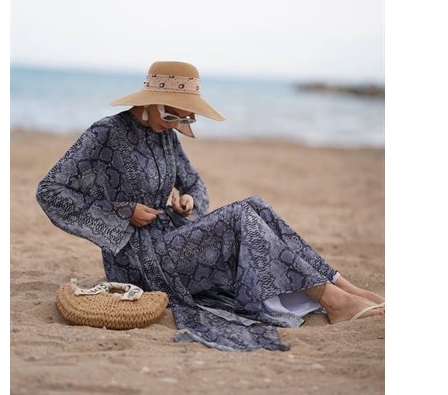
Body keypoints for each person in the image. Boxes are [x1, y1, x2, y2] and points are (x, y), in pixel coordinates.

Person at [36, 61, 384, 352]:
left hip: (171, 239)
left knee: (256, 204)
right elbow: (50, 190)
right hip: (136, 261)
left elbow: (194, 184)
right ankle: (333, 301)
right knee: (239, 216)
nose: (175, 124)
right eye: (170, 115)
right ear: (149, 101)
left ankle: (341, 285)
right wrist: (124, 212)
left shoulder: (166, 135)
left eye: (185, 119)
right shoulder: (105, 133)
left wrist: (189, 202)